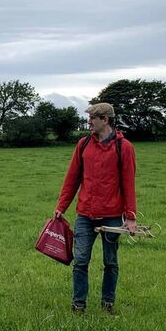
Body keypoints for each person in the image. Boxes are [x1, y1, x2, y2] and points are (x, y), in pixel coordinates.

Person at [54, 103, 138, 315]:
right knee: (80, 260)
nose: (89, 121)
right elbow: (72, 178)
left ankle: (107, 303)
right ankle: (78, 305)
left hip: (111, 216)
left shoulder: (124, 147)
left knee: (110, 261)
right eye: (89, 117)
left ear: (105, 120)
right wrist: (61, 206)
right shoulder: (83, 145)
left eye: (93, 118)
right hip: (85, 214)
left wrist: (130, 217)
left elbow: (128, 184)